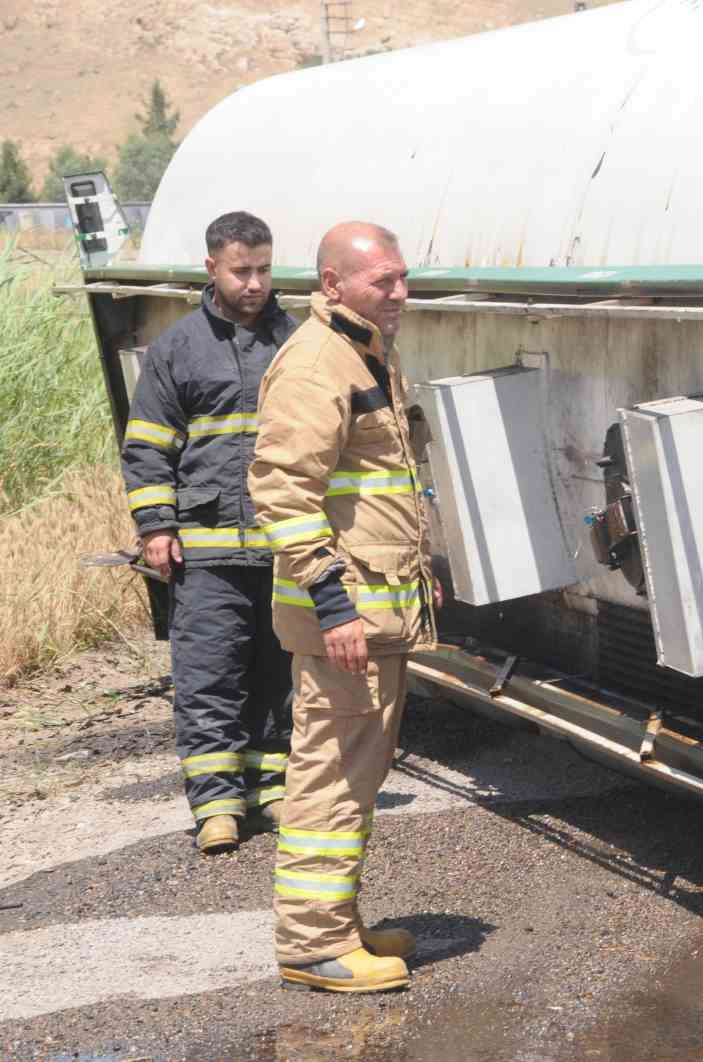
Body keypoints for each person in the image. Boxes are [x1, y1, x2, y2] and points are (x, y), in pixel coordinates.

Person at [249, 221, 439, 993]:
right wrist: (334, 605)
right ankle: (311, 946)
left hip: (372, 617)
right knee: (328, 774)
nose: (398, 294)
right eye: (380, 282)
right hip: (346, 623)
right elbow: (281, 492)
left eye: (401, 278)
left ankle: (336, 924)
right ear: (332, 283)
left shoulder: (362, 350)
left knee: (355, 773)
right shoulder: (315, 364)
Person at [120, 210, 295, 854]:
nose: (253, 283)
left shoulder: (295, 341)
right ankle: (216, 805)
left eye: (263, 269)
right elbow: (146, 447)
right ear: (212, 269)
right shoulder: (179, 347)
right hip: (207, 546)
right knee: (208, 674)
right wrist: (155, 525)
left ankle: (271, 788)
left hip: (281, 542)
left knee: (277, 671)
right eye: (240, 270)